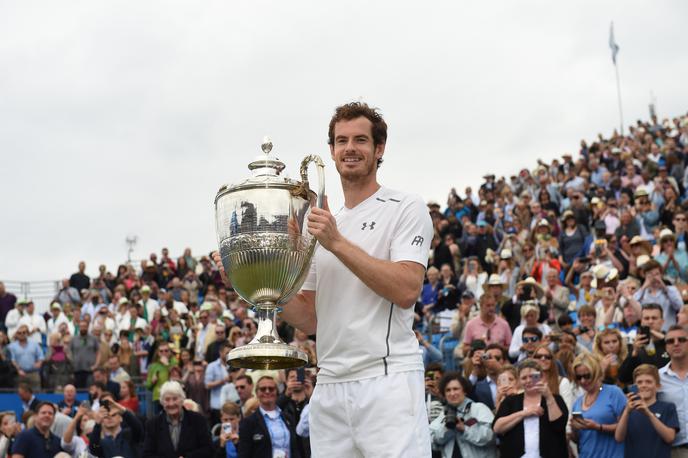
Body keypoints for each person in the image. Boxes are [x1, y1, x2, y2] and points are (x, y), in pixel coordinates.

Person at [215, 102, 434, 457]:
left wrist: (335, 242)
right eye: (341, 140)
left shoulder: (404, 207)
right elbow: (311, 316)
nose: (350, 148)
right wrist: (258, 288)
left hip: (387, 378)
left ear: (379, 149)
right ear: (331, 151)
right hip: (330, 382)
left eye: (361, 140)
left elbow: (407, 289)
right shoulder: (319, 223)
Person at [493, 359, 568, 458]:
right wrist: (525, 413)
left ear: (541, 377)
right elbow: (497, 428)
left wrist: (549, 397)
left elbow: (559, 425)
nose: (528, 381)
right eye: (524, 378)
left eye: (532, 377)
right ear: (519, 381)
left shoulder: (555, 398)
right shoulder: (511, 401)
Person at [615, 364, 678, 458]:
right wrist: (626, 412)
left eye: (648, 382)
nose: (644, 385)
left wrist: (648, 414)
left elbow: (670, 438)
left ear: (657, 386)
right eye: (639, 382)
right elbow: (619, 438)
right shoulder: (628, 409)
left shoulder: (668, 407)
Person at [570, 353, 626, 458]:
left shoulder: (613, 392)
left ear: (596, 373)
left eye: (587, 376)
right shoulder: (578, 402)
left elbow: (627, 427)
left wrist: (599, 427)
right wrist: (574, 429)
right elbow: (578, 439)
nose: (583, 381)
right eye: (579, 377)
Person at [428, 372, 497, 457]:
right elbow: (431, 440)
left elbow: (490, 436)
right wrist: (447, 430)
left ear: (464, 391)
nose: (452, 393)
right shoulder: (443, 416)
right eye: (448, 390)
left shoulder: (479, 409)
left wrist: (464, 429)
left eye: (455, 389)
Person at [142, 381, 213, 458]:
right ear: (162, 402)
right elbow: (147, 455)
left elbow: (208, 449)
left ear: (182, 399)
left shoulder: (198, 420)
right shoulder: (153, 424)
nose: (171, 403)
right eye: (167, 399)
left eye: (175, 399)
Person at [237, 376, 302, 458]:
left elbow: (296, 448)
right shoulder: (248, 422)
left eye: (271, 388)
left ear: (277, 392)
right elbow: (244, 454)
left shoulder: (288, 417)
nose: (267, 391)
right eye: (263, 389)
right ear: (257, 393)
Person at [618, 303, 669, 384]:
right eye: (646, 318)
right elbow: (623, 377)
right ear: (641, 322)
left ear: (662, 321)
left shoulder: (674, 341)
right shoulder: (635, 345)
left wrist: (666, 341)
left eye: (654, 318)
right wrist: (634, 353)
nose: (650, 321)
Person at [658, 325, 688, 456]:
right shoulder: (657, 378)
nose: (676, 344)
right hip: (674, 449)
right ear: (666, 347)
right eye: (670, 341)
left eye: (681, 339)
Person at [87, 393, 144, 458]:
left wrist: (123, 411)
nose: (109, 418)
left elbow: (138, 428)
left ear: (121, 418)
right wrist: (97, 424)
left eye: (113, 415)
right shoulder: (101, 443)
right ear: (102, 420)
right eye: (106, 417)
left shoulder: (129, 435)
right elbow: (93, 447)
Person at [8, 325, 44, 390]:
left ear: (27, 333)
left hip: (33, 373)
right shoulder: (12, 346)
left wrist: (39, 363)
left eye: (24, 332)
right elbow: (12, 360)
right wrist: (18, 370)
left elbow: (41, 356)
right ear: (16, 334)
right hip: (19, 374)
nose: (22, 334)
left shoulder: (34, 344)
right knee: (19, 395)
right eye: (19, 333)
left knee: (37, 394)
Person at [69, 318, 100, 389]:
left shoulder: (93, 339)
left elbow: (98, 352)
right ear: (79, 327)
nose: (83, 328)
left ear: (88, 327)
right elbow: (69, 352)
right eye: (81, 326)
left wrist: (96, 365)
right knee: (78, 390)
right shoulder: (74, 339)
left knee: (90, 389)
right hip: (77, 370)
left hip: (90, 370)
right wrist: (72, 362)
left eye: (84, 326)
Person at [206, 341, 231, 426]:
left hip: (231, 405)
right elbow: (207, 385)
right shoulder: (212, 366)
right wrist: (222, 381)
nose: (229, 355)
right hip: (217, 405)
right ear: (220, 353)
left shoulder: (233, 365)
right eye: (227, 352)